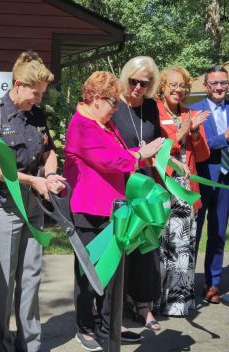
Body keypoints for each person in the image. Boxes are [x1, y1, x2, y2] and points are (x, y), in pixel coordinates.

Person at [0, 51, 65, 352]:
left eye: (41, 95)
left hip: (33, 205)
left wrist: (50, 175)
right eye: (35, 93)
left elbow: (49, 152)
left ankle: (30, 345)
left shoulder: (36, 114)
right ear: (18, 84)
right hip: (3, 207)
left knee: (31, 277)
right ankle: (1, 344)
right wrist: (32, 180)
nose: (37, 99)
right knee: (3, 283)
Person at [63, 70, 164, 351]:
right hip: (89, 210)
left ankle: (109, 328)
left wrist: (144, 157)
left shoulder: (105, 124)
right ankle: (85, 327)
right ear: (96, 98)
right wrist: (138, 156)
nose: (116, 108)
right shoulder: (80, 125)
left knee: (113, 276)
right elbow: (109, 160)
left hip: (114, 209)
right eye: (112, 102)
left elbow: (122, 154)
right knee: (90, 275)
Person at [111, 56, 164, 331]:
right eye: (133, 81)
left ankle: (143, 305)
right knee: (121, 248)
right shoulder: (114, 104)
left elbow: (158, 144)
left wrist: (173, 163)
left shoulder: (151, 107)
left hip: (144, 184)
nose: (138, 87)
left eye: (144, 83)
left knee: (147, 248)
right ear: (125, 77)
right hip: (119, 183)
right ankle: (115, 309)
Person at [155, 66, 210, 316]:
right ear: (162, 87)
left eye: (183, 86)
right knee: (160, 244)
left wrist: (196, 132)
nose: (179, 90)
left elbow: (203, 154)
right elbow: (163, 148)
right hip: (163, 186)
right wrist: (185, 129)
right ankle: (154, 300)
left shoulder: (191, 112)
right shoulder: (153, 112)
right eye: (173, 85)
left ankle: (178, 303)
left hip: (187, 188)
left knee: (183, 245)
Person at [189, 65, 229, 304]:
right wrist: (224, 138)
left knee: (218, 232)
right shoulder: (195, 111)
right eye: (213, 83)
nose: (219, 87)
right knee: (194, 232)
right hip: (203, 178)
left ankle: (212, 284)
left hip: (226, 180)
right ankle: (185, 285)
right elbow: (199, 146)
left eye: (223, 83)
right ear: (205, 86)